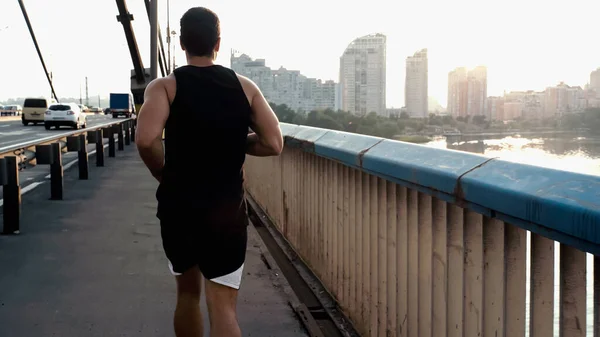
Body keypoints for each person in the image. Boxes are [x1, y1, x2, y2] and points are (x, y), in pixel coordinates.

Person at [135, 7, 283, 337]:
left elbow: (146, 140)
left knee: (187, 295)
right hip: (226, 212)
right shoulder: (245, 87)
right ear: (218, 43)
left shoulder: (164, 87)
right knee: (223, 306)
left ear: (184, 43)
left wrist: (165, 173)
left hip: (179, 210)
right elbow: (274, 142)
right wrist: (234, 141)